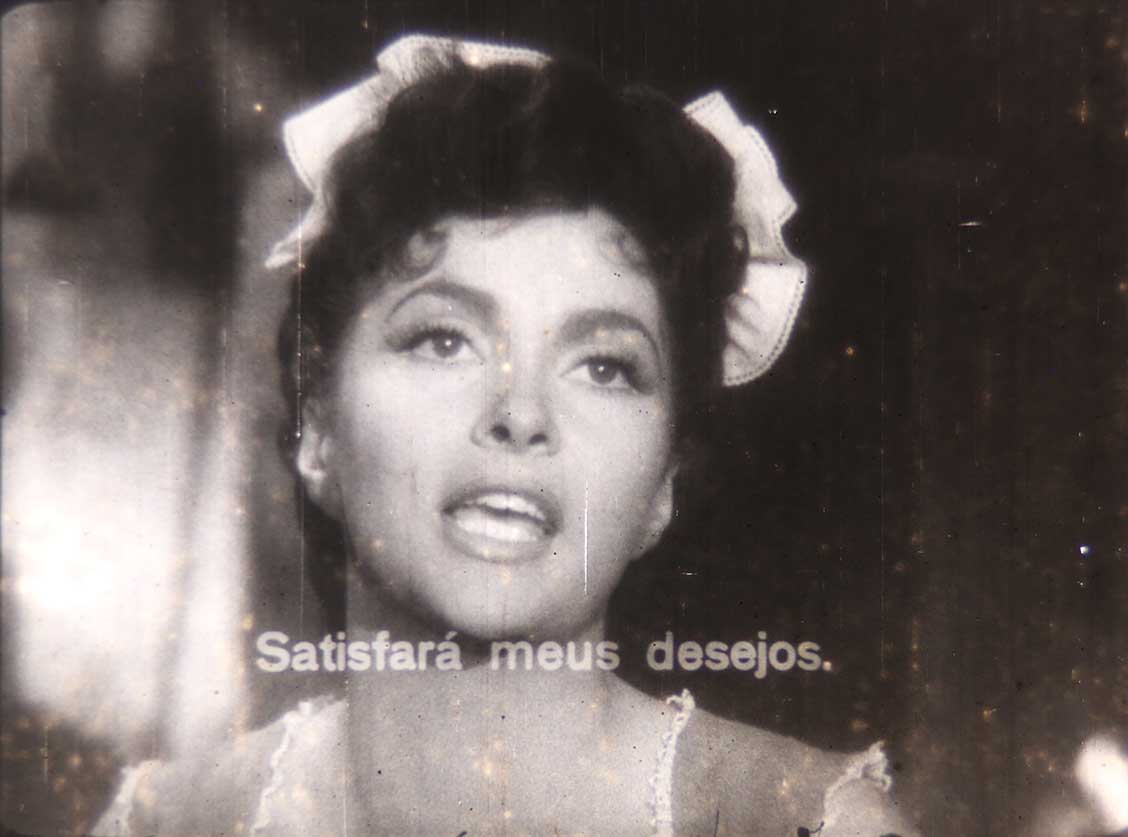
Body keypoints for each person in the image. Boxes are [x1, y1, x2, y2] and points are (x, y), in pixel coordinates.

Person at [93, 34, 919, 836]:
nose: (521, 413)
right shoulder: (168, 823)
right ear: (319, 425)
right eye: (443, 339)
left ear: (664, 482)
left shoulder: (799, 823)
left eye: (605, 366)